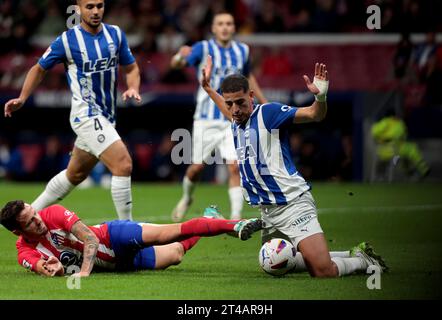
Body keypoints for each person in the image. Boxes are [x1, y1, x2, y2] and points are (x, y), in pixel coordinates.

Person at [201, 56, 388, 277]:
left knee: (322, 271)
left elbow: (314, 114)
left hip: (292, 204)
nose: (234, 109)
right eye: (229, 103)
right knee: (276, 263)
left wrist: (321, 96)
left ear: (251, 96)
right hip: (268, 211)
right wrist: (207, 88)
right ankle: (348, 253)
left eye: (240, 102)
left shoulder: (268, 114)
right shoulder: (236, 119)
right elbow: (226, 108)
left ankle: (362, 262)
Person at [4, 0, 141, 220]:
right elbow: (39, 68)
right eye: (89, 7)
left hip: (108, 116)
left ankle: (27, 216)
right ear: (78, 9)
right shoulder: (67, 41)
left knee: (74, 174)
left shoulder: (115, 34)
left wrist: (133, 86)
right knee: (123, 163)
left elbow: (132, 67)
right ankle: (128, 230)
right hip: (85, 114)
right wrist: (22, 97)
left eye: (100, 5)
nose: (95, 11)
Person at [170, 12, 267, 222]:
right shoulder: (203, 48)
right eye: (220, 24)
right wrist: (179, 56)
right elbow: (176, 64)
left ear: (234, 28)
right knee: (197, 168)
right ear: (213, 28)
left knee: (235, 166)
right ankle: (187, 197)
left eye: (229, 23)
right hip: (206, 118)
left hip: (233, 118)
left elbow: (248, 77)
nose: (225, 27)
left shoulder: (243, 50)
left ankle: (235, 217)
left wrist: (263, 101)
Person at [0, 200, 263, 277]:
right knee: (176, 255)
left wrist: (82, 272)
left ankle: (234, 224)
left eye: (35, 213)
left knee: (170, 232)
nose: (39, 220)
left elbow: (90, 238)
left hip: (114, 237)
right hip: (121, 264)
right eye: (30, 222)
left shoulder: (54, 214)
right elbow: (38, 266)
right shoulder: (25, 251)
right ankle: (208, 218)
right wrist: (52, 270)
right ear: (17, 231)